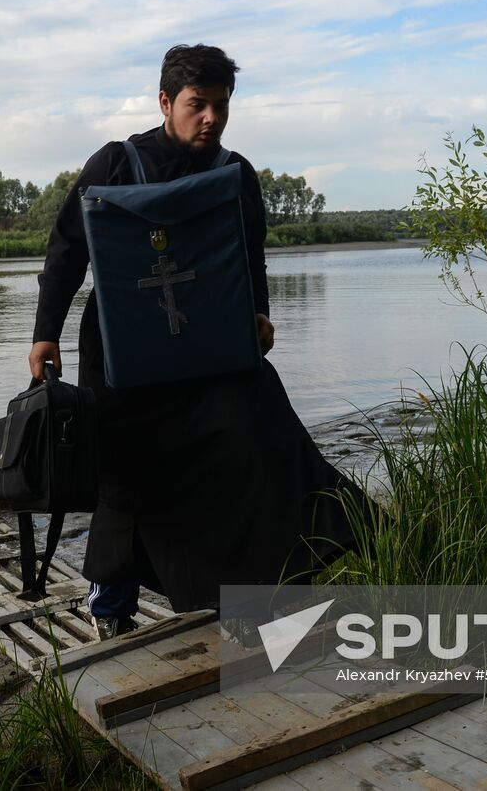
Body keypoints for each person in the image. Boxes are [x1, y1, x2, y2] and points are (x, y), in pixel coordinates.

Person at [29, 44, 367, 639]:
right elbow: (65, 253)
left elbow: (249, 256)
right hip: (120, 358)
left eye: (221, 105)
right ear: (165, 102)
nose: (211, 117)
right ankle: (110, 604)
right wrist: (44, 334)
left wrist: (260, 313)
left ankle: (248, 601)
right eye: (197, 105)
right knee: (125, 476)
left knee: (253, 448)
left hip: (207, 354)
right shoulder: (114, 164)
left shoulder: (236, 175)